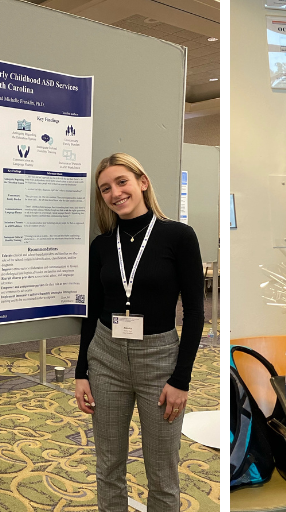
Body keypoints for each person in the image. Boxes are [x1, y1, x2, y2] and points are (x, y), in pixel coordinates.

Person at [73, 153, 204, 512]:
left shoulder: (178, 236)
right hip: (106, 358)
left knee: (162, 471)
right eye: (105, 189)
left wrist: (182, 379)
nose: (115, 193)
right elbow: (92, 313)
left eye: (121, 182)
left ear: (142, 182)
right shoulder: (102, 245)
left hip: (159, 360)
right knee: (108, 465)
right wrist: (81, 372)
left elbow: (195, 313)